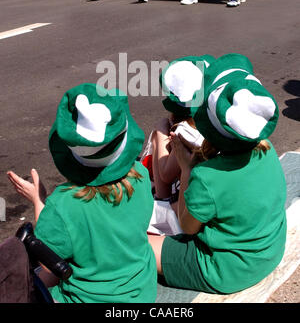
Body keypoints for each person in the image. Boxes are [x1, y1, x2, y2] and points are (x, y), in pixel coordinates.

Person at [148, 53, 287, 295]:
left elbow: (187, 226)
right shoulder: (267, 150)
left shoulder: (207, 176)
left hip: (226, 270)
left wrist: (187, 168)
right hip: (270, 251)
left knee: (138, 246)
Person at [7, 83, 157, 303]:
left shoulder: (63, 204)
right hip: (142, 292)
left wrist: (39, 201)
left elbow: (47, 259)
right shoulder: (142, 176)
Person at [150, 55, 214, 203]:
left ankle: (162, 201)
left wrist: (160, 131)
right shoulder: (215, 121)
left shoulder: (186, 132)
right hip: (217, 187)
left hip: (196, 202)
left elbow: (166, 175)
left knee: (157, 137)